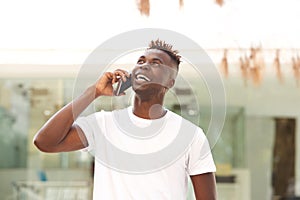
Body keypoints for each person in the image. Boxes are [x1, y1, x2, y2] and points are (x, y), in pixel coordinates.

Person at [34, 39, 217, 200]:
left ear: (169, 82)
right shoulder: (103, 124)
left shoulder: (190, 135)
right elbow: (45, 142)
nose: (144, 65)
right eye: (141, 61)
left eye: (156, 63)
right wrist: (93, 92)